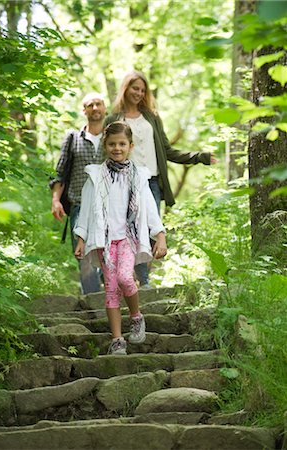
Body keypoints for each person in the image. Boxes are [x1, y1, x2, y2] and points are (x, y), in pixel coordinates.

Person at [104, 70, 217, 287]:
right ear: (125, 88)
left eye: (143, 90)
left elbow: (167, 150)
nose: (139, 93)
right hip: (125, 182)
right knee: (131, 230)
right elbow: (107, 152)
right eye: (135, 88)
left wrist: (199, 157)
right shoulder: (114, 119)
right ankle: (141, 282)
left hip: (153, 182)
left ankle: (139, 277)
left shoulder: (152, 118)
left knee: (151, 230)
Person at [74, 121, 167, 355]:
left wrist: (160, 236)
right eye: (112, 144)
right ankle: (117, 339)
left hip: (128, 237)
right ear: (105, 145)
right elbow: (85, 209)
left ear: (130, 146)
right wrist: (81, 237)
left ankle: (136, 316)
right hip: (103, 242)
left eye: (122, 144)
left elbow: (149, 207)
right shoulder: (95, 176)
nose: (117, 148)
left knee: (126, 278)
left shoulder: (138, 176)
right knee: (111, 288)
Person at [50, 92, 106, 294]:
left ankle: (104, 293)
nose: (94, 108)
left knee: (107, 252)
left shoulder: (113, 137)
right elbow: (60, 172)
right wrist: (56, 200)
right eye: (90, 105)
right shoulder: (73, 138)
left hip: (108, 205)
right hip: (79, 205)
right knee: (83, 256)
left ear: (105, 108)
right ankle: (93, 301)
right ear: (84, 110)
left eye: (98, 104)